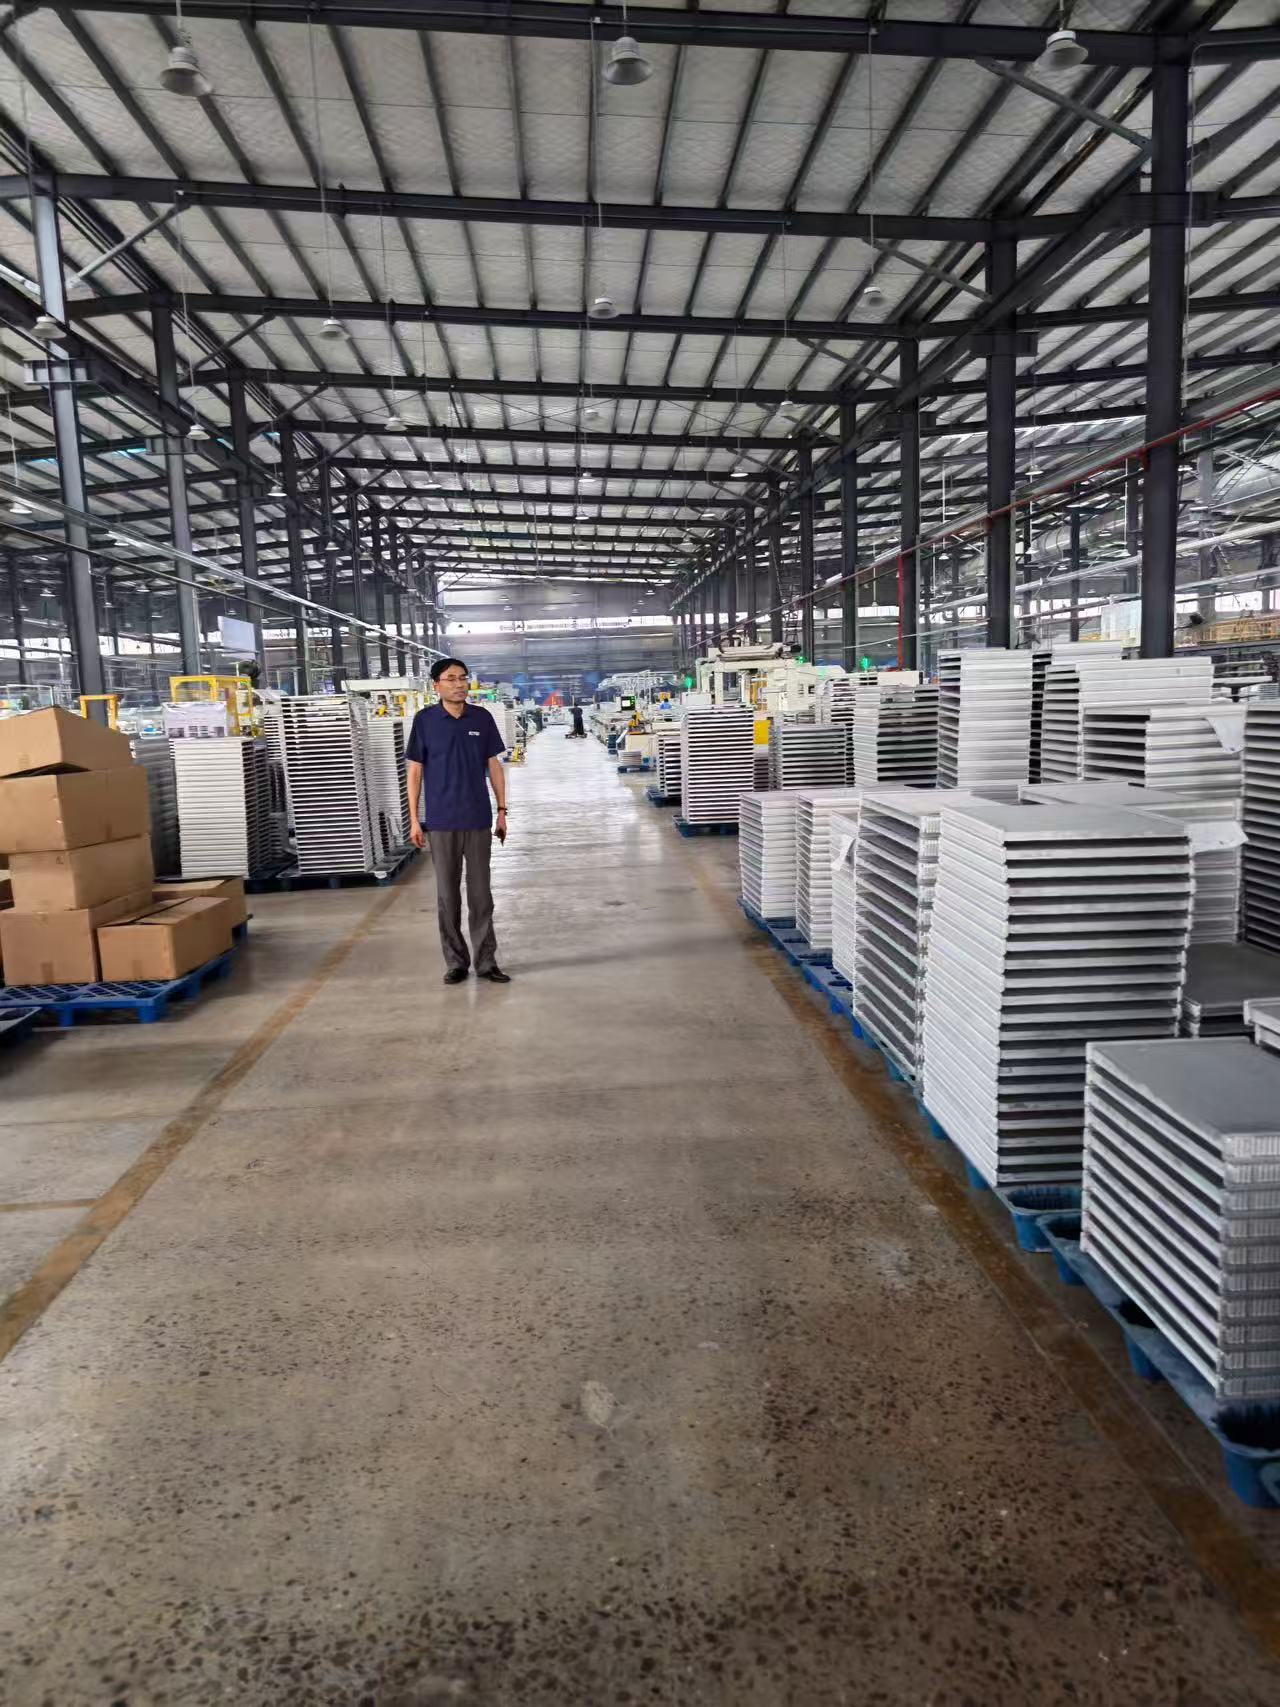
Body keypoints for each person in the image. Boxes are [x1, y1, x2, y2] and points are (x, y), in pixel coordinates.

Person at [407, 659, 511, 985]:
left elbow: (493, 765)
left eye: (463, 678)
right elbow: (415, 771)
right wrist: (414, 820)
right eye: (450, 679)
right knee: (447, 896)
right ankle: (456, 962)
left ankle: (486, 962)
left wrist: (502, 810)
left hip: (477, 819)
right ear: (436, 685)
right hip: (441, 821)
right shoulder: (425, 721)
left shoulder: (481, 718)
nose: (459, 684)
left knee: (481, 896)